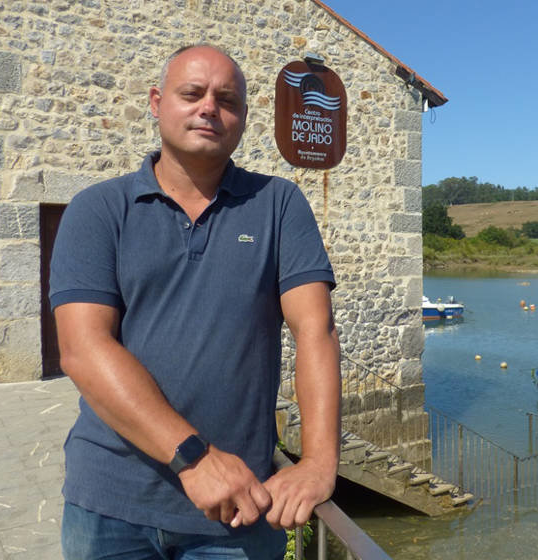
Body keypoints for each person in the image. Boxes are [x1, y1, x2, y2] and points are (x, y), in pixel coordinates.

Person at [49, 44, 340, 559]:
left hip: (239, 511)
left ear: (244, 118)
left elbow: (314, 331)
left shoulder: (278, 205)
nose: (209, 107)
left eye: (227, 100)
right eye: (192, 93)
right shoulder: (99, 210)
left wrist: (319, 462)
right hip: (112, 504)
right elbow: (82, 348)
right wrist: (196, 459)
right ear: (157, 102)